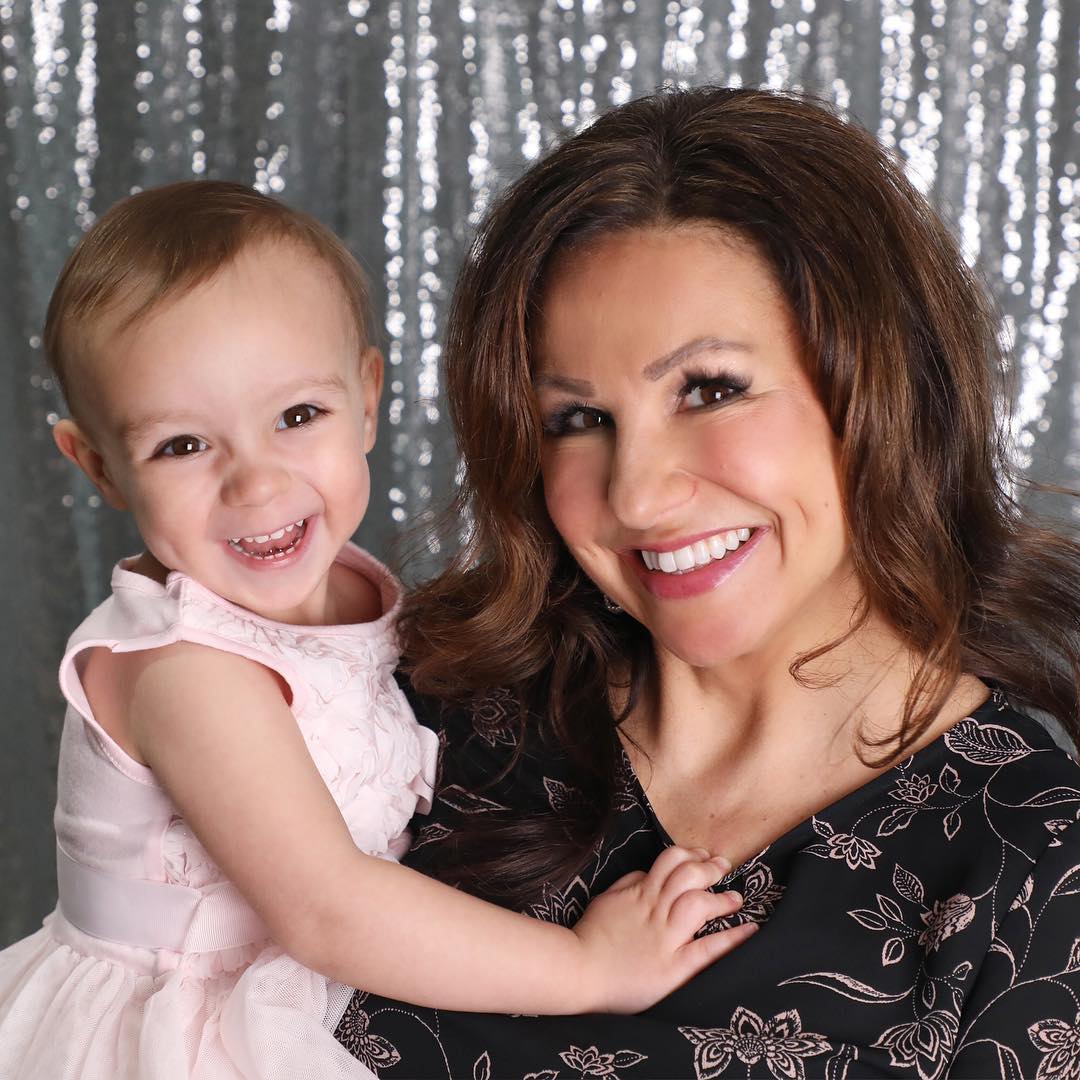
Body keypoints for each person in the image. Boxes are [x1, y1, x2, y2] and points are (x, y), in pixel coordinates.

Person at [333, 87, 1080, 1079]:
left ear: (882, 386)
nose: (638, 496)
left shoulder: (1033, 860)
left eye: (711, 390)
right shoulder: (408, 720)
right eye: (576, 419)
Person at [0, 181, 755, 1080]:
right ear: (99, 466)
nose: (257, 483)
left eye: (297, 416)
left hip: (309, 987)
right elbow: (330, 911)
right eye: (183, 446)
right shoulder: (186, 670)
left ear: (365, 397)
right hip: (183, 1029)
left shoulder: (357, 593)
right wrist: (590, 968)